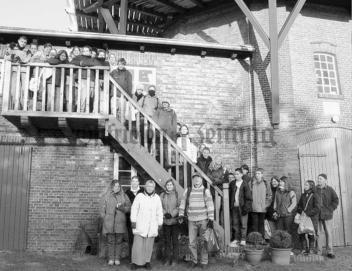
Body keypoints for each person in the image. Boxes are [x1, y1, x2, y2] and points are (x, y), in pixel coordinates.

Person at [178, 173, 214, 268]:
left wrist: (211, 218)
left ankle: (204, 262)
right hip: (191, 220)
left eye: (198, 178)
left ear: (201, 180)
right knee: (191, 242)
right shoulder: (188, 190)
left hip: (203, 220)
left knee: (204, 242)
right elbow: (182, 202)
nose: (197, 179)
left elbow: (210, 205)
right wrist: (181, 214)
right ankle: (194, 261)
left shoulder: (206, 191)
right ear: (193, 180)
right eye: (195, 178)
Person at [130, 180, 163, 270]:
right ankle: (134, 263)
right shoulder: (139, 196)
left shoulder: (157, 198)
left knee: (149, 246)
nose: (150, 188)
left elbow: (159, 211)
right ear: (145, 187)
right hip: (140, 224)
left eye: (152, 186)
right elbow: (134, 209)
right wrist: (133, 221)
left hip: (152, 225)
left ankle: (147, 262)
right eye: (148, 186)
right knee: (137, 245)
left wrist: (160, 223)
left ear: (154, 188)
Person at [100, 179, 131, 266]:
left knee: (118, 241)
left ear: (120, 187)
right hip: (109, 222)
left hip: (120, 222)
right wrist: (105, 218)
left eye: (118, 186)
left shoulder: (124, 196)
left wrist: (122, 207)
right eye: (115, 186)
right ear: (112, 187)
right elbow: (102, 209)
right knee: (110, 241)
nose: (116, 188)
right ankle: (111, 258)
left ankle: (117, 258)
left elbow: (129, 207)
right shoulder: (106, 196)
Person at [4, 36, 32, 109]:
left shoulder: (28, 50)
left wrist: (21, 60)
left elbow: (28, 59)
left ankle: (25, 106)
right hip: (14, 70)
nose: (23, 43)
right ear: (18, 41)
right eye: (22, 41)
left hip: (24, 71)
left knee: (25, 89)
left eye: (25, 42)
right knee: (14, 88)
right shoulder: (13, 48)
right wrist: (12, 57)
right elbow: (6, 57)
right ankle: (16, 106)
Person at [316, 173, 339, 258]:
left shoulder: (330, 189)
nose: (318, 180)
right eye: (318, 178)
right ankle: (319, 251)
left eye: (320, 179)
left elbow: (335, 200)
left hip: (327, 215)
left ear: (325, 180)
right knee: (318, 233)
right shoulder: (315, 189)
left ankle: (330, 252)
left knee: (328, 233)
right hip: (317, 215)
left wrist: (330, 209)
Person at [70, 45, 99, 112]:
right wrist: (80, 63)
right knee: (82, 96)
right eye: (84, 51)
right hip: (81, 79)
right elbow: (72, 62)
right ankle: (81, 110)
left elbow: (98, 65)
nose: (85, 52)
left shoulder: (93, 58)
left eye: (87, 51)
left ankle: (86, 111)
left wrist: (84, 63)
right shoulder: (79, 57)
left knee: (89, 97)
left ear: (90, 52)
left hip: (91, 80)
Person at [229, 169, 252, 247]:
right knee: (235, 224)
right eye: (235, 174)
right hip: (234, 207)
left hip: (242, 208)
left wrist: (246, 208)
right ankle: (236, 239)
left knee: (243, 224)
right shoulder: (232, 183)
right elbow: (229, 195)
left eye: (238, 174)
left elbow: (249, 198)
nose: (236, 175)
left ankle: (243, 239)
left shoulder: (245, 184)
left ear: (242, 174)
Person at [160, 179, 181, 266]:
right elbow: (159, 206)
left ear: (173, 186)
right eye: (168, 185)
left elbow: (179, 206)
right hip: (165, 221)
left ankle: (175, 260)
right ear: (166, 186)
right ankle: (167, 259)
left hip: (174, 221)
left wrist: (172, 214)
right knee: (167, 242)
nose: (169, 186)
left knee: (175, 242)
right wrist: (165, 213)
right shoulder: (162, 195)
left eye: (171, 185)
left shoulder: (176, 194)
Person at [297, 180, 320, 255]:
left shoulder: (315, 195)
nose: (305, 186)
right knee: (301, 233)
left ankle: (311, 250)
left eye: (306, 185)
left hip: (312, 218)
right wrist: (301, 211)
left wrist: (308, 213)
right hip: (303, 218)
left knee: (311, 234)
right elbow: (299, 206)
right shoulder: (303, 195)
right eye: (305, 184)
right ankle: (304, 249)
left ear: (311, 186)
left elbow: (317, 208)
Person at [248, 168, 272, 237]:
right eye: (256, 174)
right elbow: (248, 194)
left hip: (262, 208)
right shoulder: (251, 183)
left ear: (262, 174)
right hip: (254, 208)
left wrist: (266, 205)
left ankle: (261, 240)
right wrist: (251, 204)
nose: (257, 175)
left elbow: (269, 195)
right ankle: (255, 240)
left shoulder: (265, 183)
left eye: (259, 173)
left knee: (261, 225)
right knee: (254, 225)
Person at [125, 176, 144, 254]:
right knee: (131, 239)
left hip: (142, 219)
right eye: (133, 181)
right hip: (130, 220)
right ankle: (132, 258)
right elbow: (126, 205)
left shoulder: (143, 192)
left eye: (136, 181)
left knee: (140, 239)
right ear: (131, 182)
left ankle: (140, 258)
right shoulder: (127, 193)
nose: (134, 183)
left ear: (139, 183)